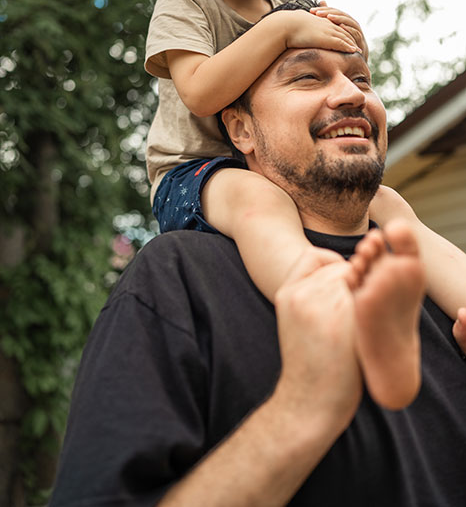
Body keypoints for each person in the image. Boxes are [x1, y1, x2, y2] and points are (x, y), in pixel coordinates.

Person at [50, 37, 466, 506]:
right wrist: (303, 408)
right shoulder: (179, 278)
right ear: (241, 129)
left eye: (362, 78)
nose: (352, 93)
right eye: (308, 76)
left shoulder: (436, 281)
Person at [144, 0, 418, 410]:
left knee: (389, 204)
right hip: (194, 175)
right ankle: (319, 303)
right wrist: (284, 31)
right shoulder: (185, 1)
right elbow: (198, 92)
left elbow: (326, 78)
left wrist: (344, 46)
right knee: (259, 203)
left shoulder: (284, 11)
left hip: (268, 167)